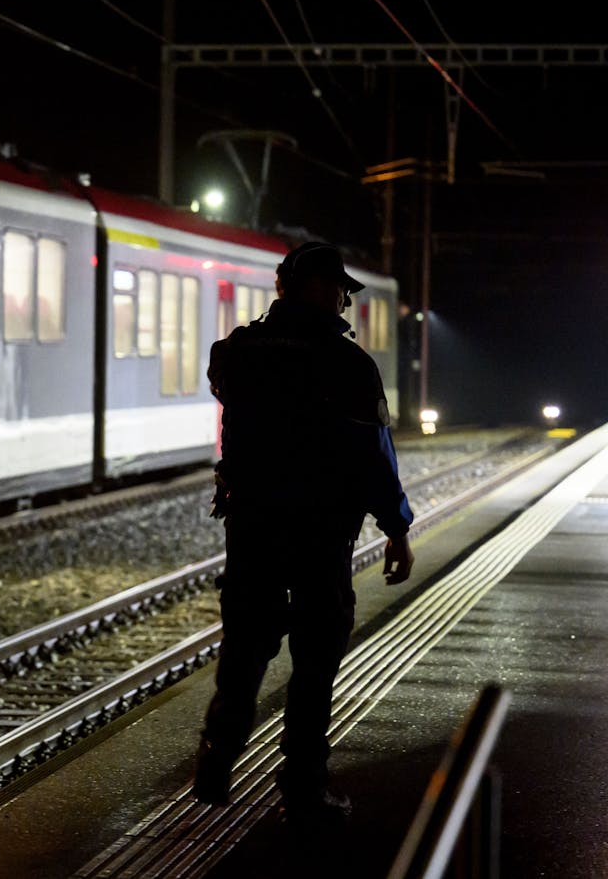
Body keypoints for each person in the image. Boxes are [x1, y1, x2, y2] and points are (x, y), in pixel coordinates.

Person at [193, 240, 415, 823]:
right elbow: (374, 457)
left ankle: (216, 761)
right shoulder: (349, 365)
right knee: (315, 661)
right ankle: (303, 787)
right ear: (320, 289)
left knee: (245, 647)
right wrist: (396, 526)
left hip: (254, 528)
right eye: (341, 288)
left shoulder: (237, 352)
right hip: (320, 533)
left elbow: (225, 384)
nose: (346, 298)